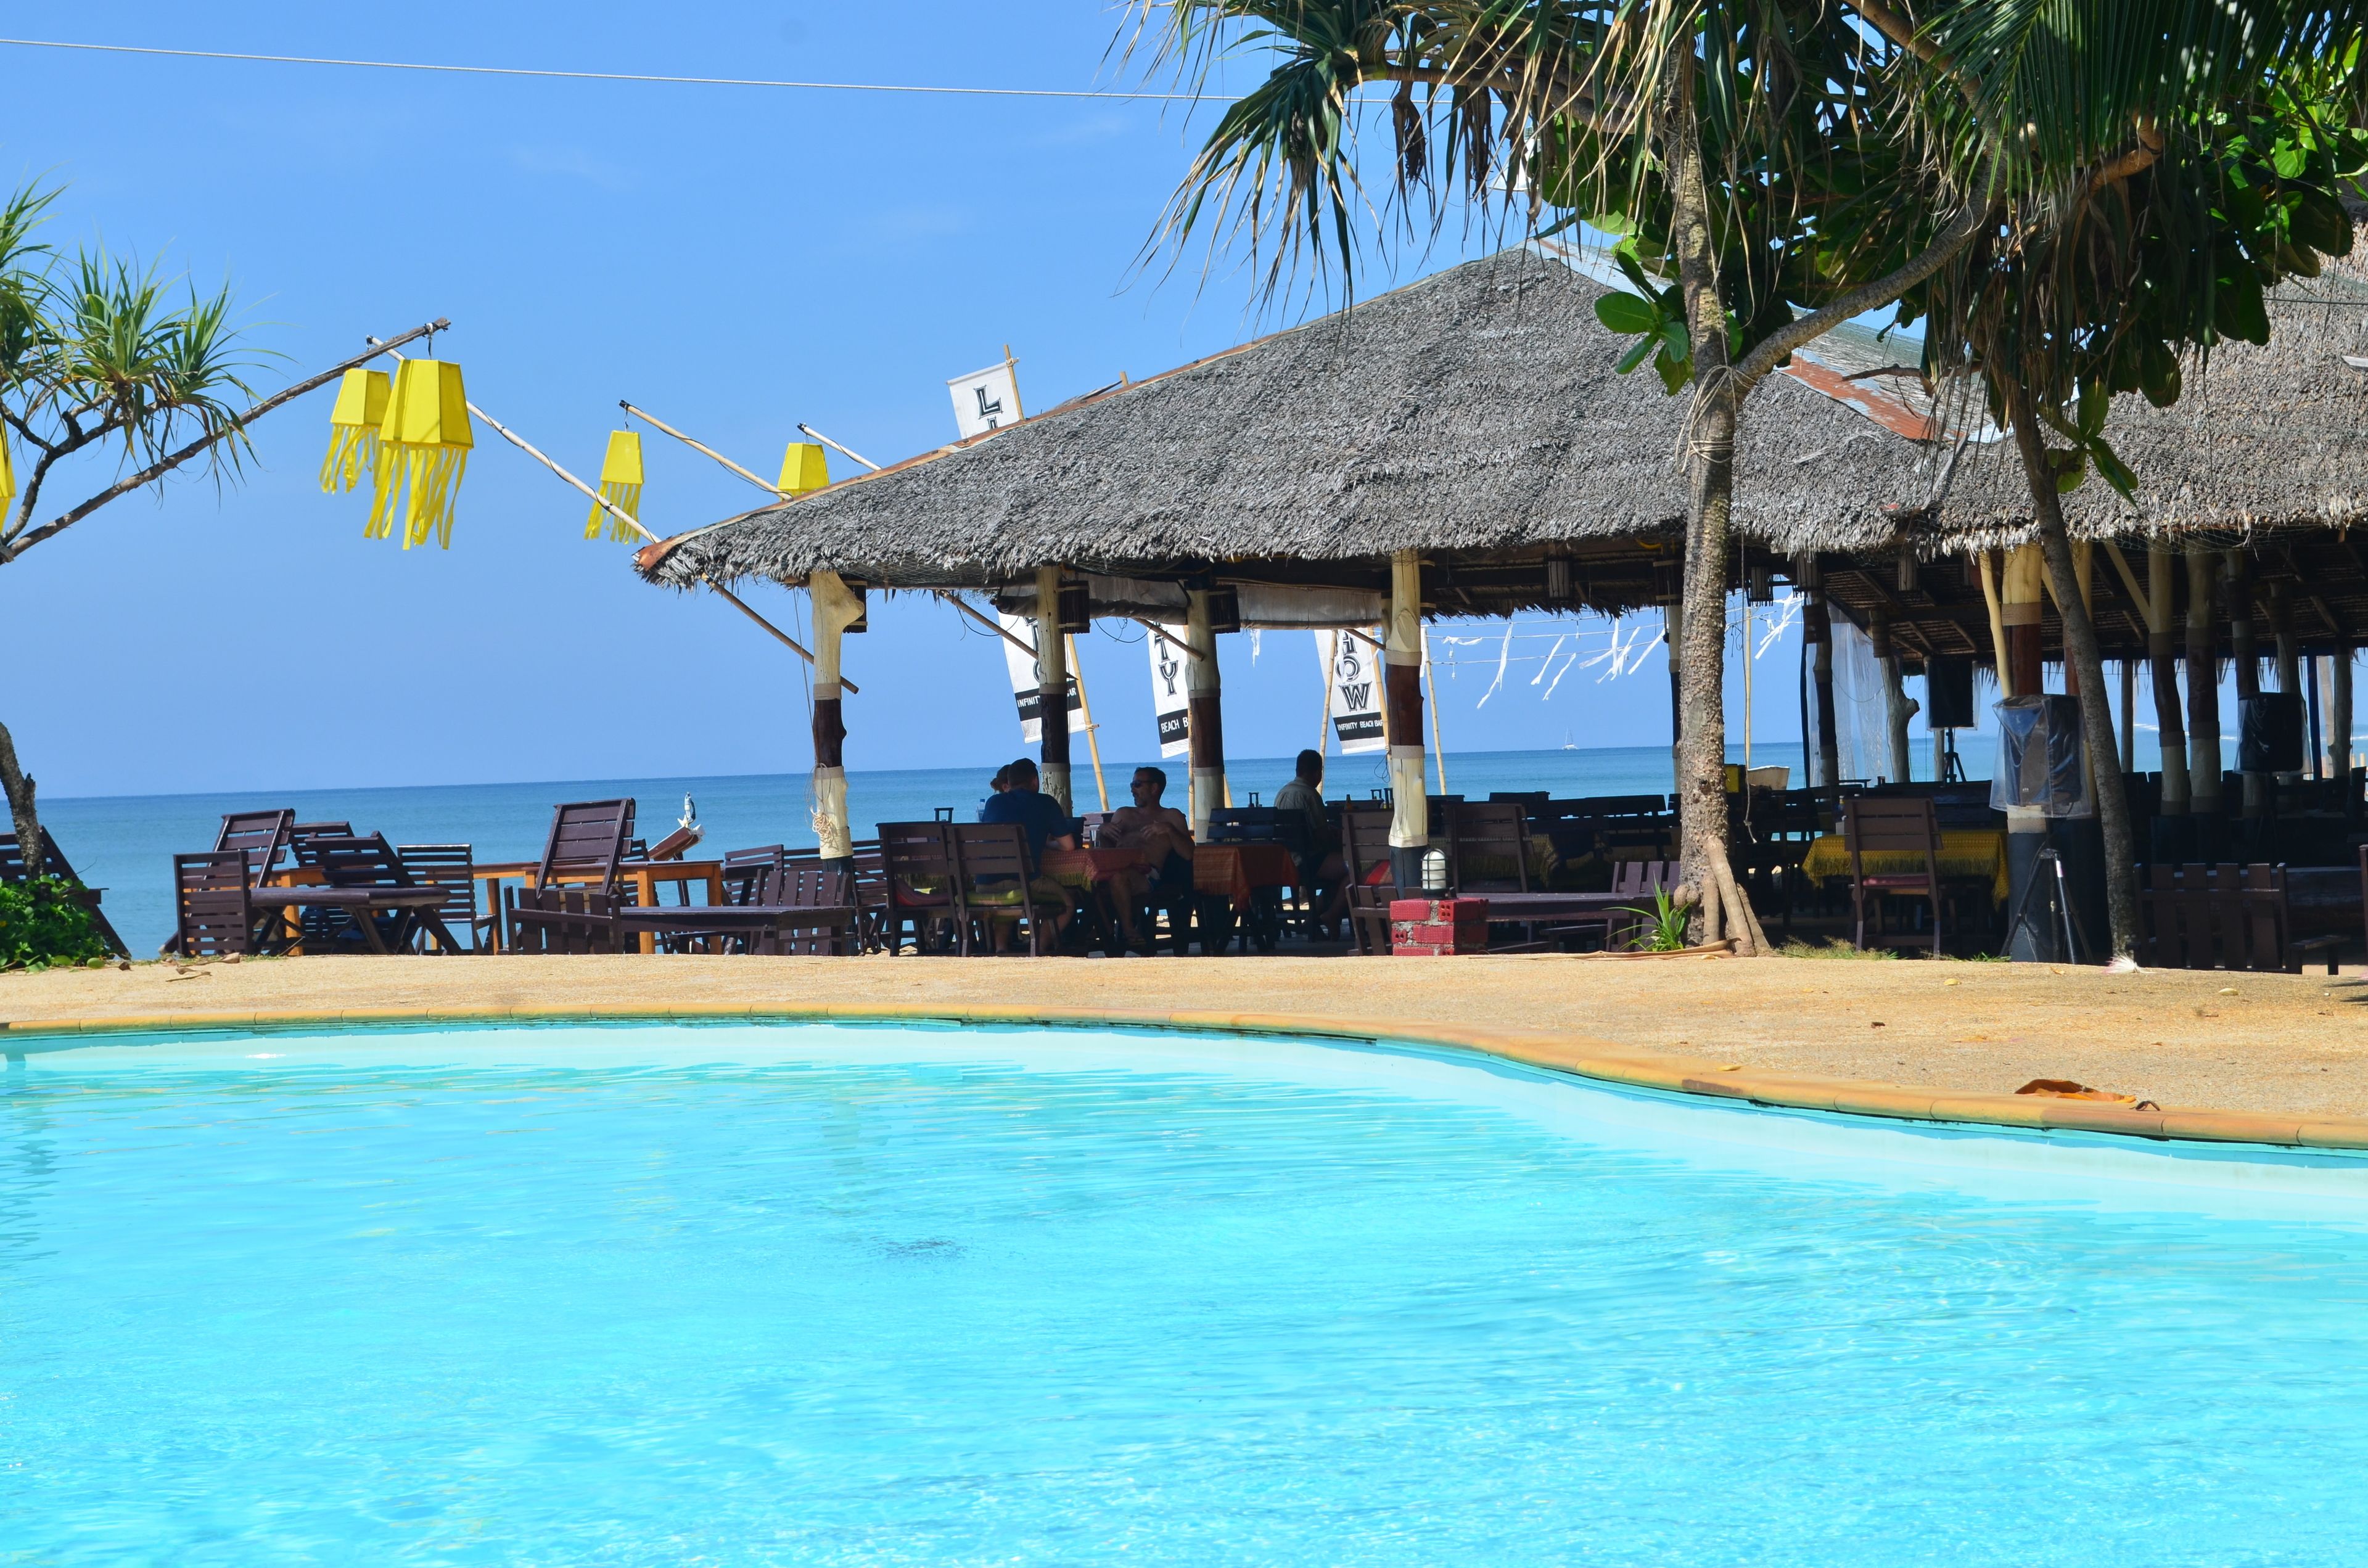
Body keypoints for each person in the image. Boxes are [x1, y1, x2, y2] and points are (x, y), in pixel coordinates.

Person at [976, 758, 1077, 948]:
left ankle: (1001, 948)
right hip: (1024, 883)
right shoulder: (1046, 802)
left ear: (1009, 782)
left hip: (984, 885)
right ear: (1035, 781)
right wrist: (1047, 843)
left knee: (1006, 895)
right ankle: (1039, 946)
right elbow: (1068, 846)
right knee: (1068, 903)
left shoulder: (993, 802)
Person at [1096, 766, 1195, 953]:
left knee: (1118, 878)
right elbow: (1107, 851)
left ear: (1154, 788)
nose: (1133, 790)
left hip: (1148, 875)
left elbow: (1189, 854)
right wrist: (1103, 832)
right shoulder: (1124, 814)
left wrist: (1170, 830)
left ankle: (1127, 931)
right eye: (1132, 785)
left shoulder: (1171, 816)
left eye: (1137, 784)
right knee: (1089, 885)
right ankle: (1093, 935)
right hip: (1116, 869)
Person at [1273, 749, 1347, 931]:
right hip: (1307, 862)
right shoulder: (1309, 794)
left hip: (1284, 861)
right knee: (1353, 868)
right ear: (1317, 773)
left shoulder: (1282, 793)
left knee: (1336, 878)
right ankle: (1333, 914)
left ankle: (1312, 920)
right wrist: (1339, 839)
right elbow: (1322, 838)